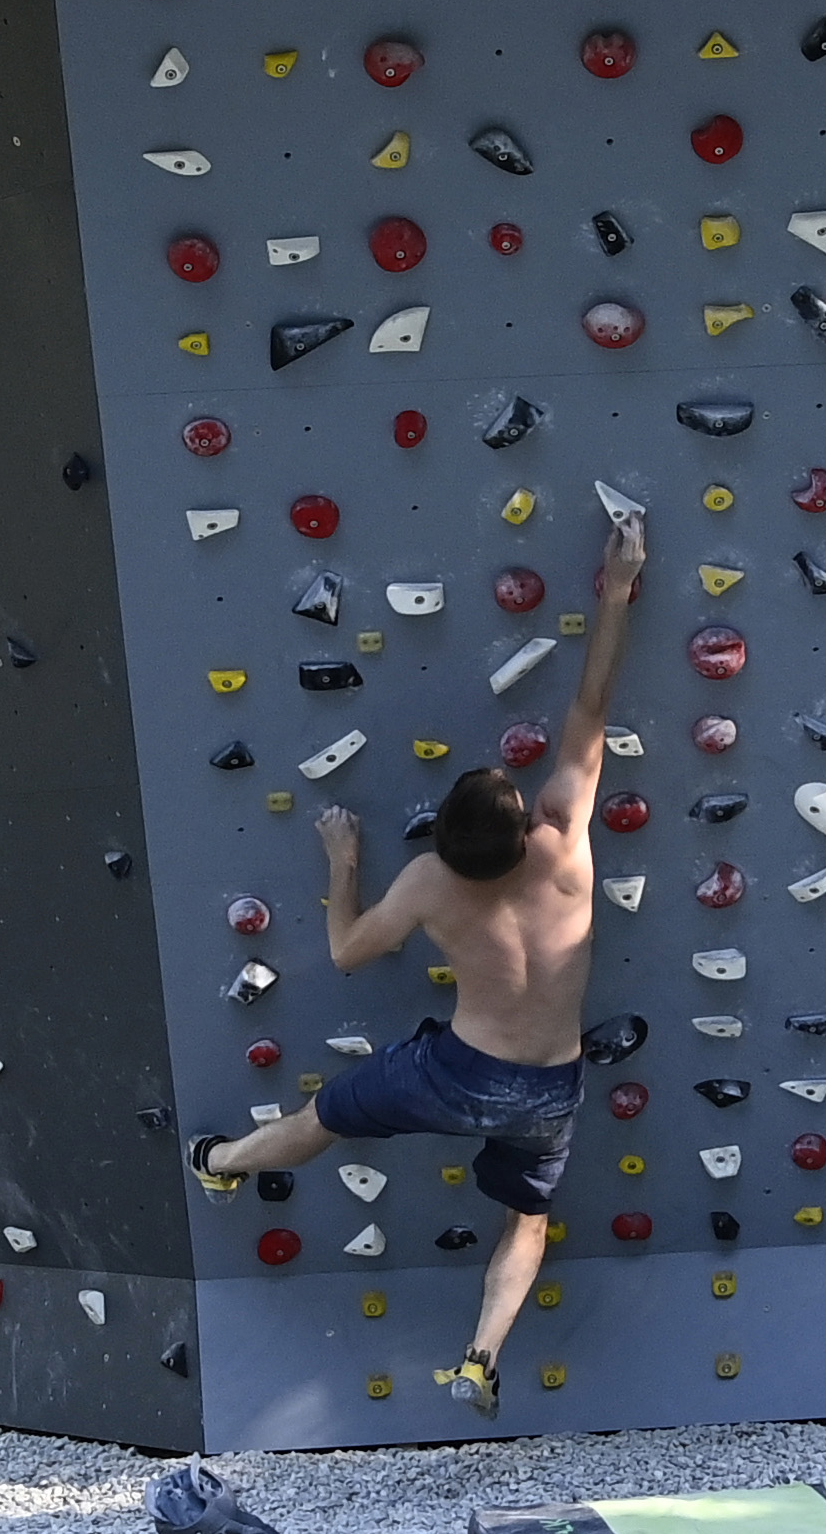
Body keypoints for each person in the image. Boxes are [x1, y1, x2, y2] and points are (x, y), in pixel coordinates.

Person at [188, 504, 649, 1416]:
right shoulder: (563, 846)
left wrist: (343, 862)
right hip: (547, 1084)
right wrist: (622, 582)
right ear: (523, 824)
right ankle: (479, 1357)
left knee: (324, 1118)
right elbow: (591, 704)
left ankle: (222, 1161)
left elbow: (349, 951)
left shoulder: (433, 882)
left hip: (452, 1073)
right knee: (526, 1216)